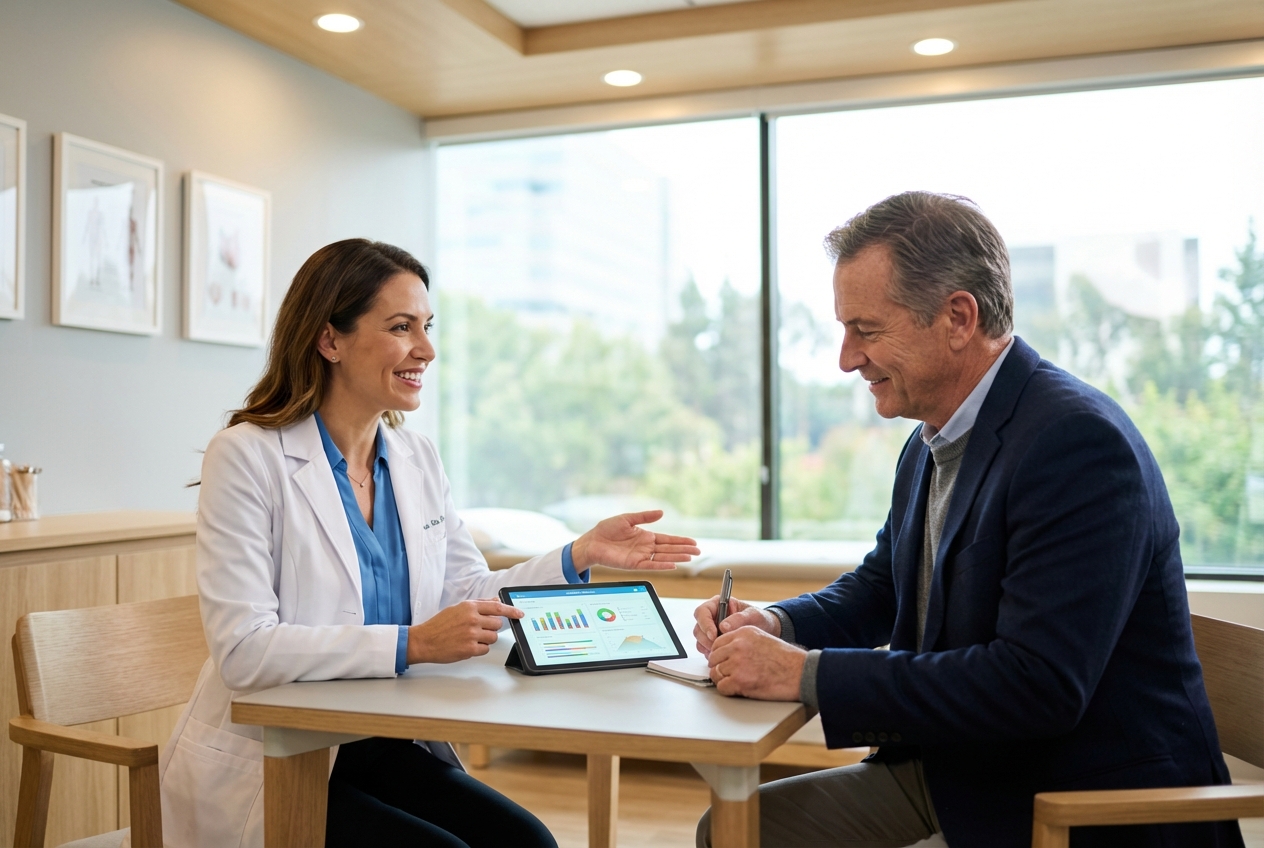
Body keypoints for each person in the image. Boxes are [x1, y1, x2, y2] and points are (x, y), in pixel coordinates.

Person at [693, 192, 1242, 848]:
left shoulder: (1077, 445)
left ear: (957, 317)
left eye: (865, 330)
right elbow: (883, 587)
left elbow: (1036, 685)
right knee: (733, 832)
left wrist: (804, 674)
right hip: (964, 771)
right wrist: (777, 623)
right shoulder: (933, 437)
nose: (846, 358)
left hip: (1068, 805)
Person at [159, 239, 700, 848]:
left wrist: (578, 556)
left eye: (427, 326)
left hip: (382, 742)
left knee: (529, 843)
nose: (427, 349)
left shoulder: (416, 458)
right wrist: (413, 643)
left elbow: (466, 593)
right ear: (328, 339)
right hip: (283, 758)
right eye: (400, 327)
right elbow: (244, 652)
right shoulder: (248, 456)